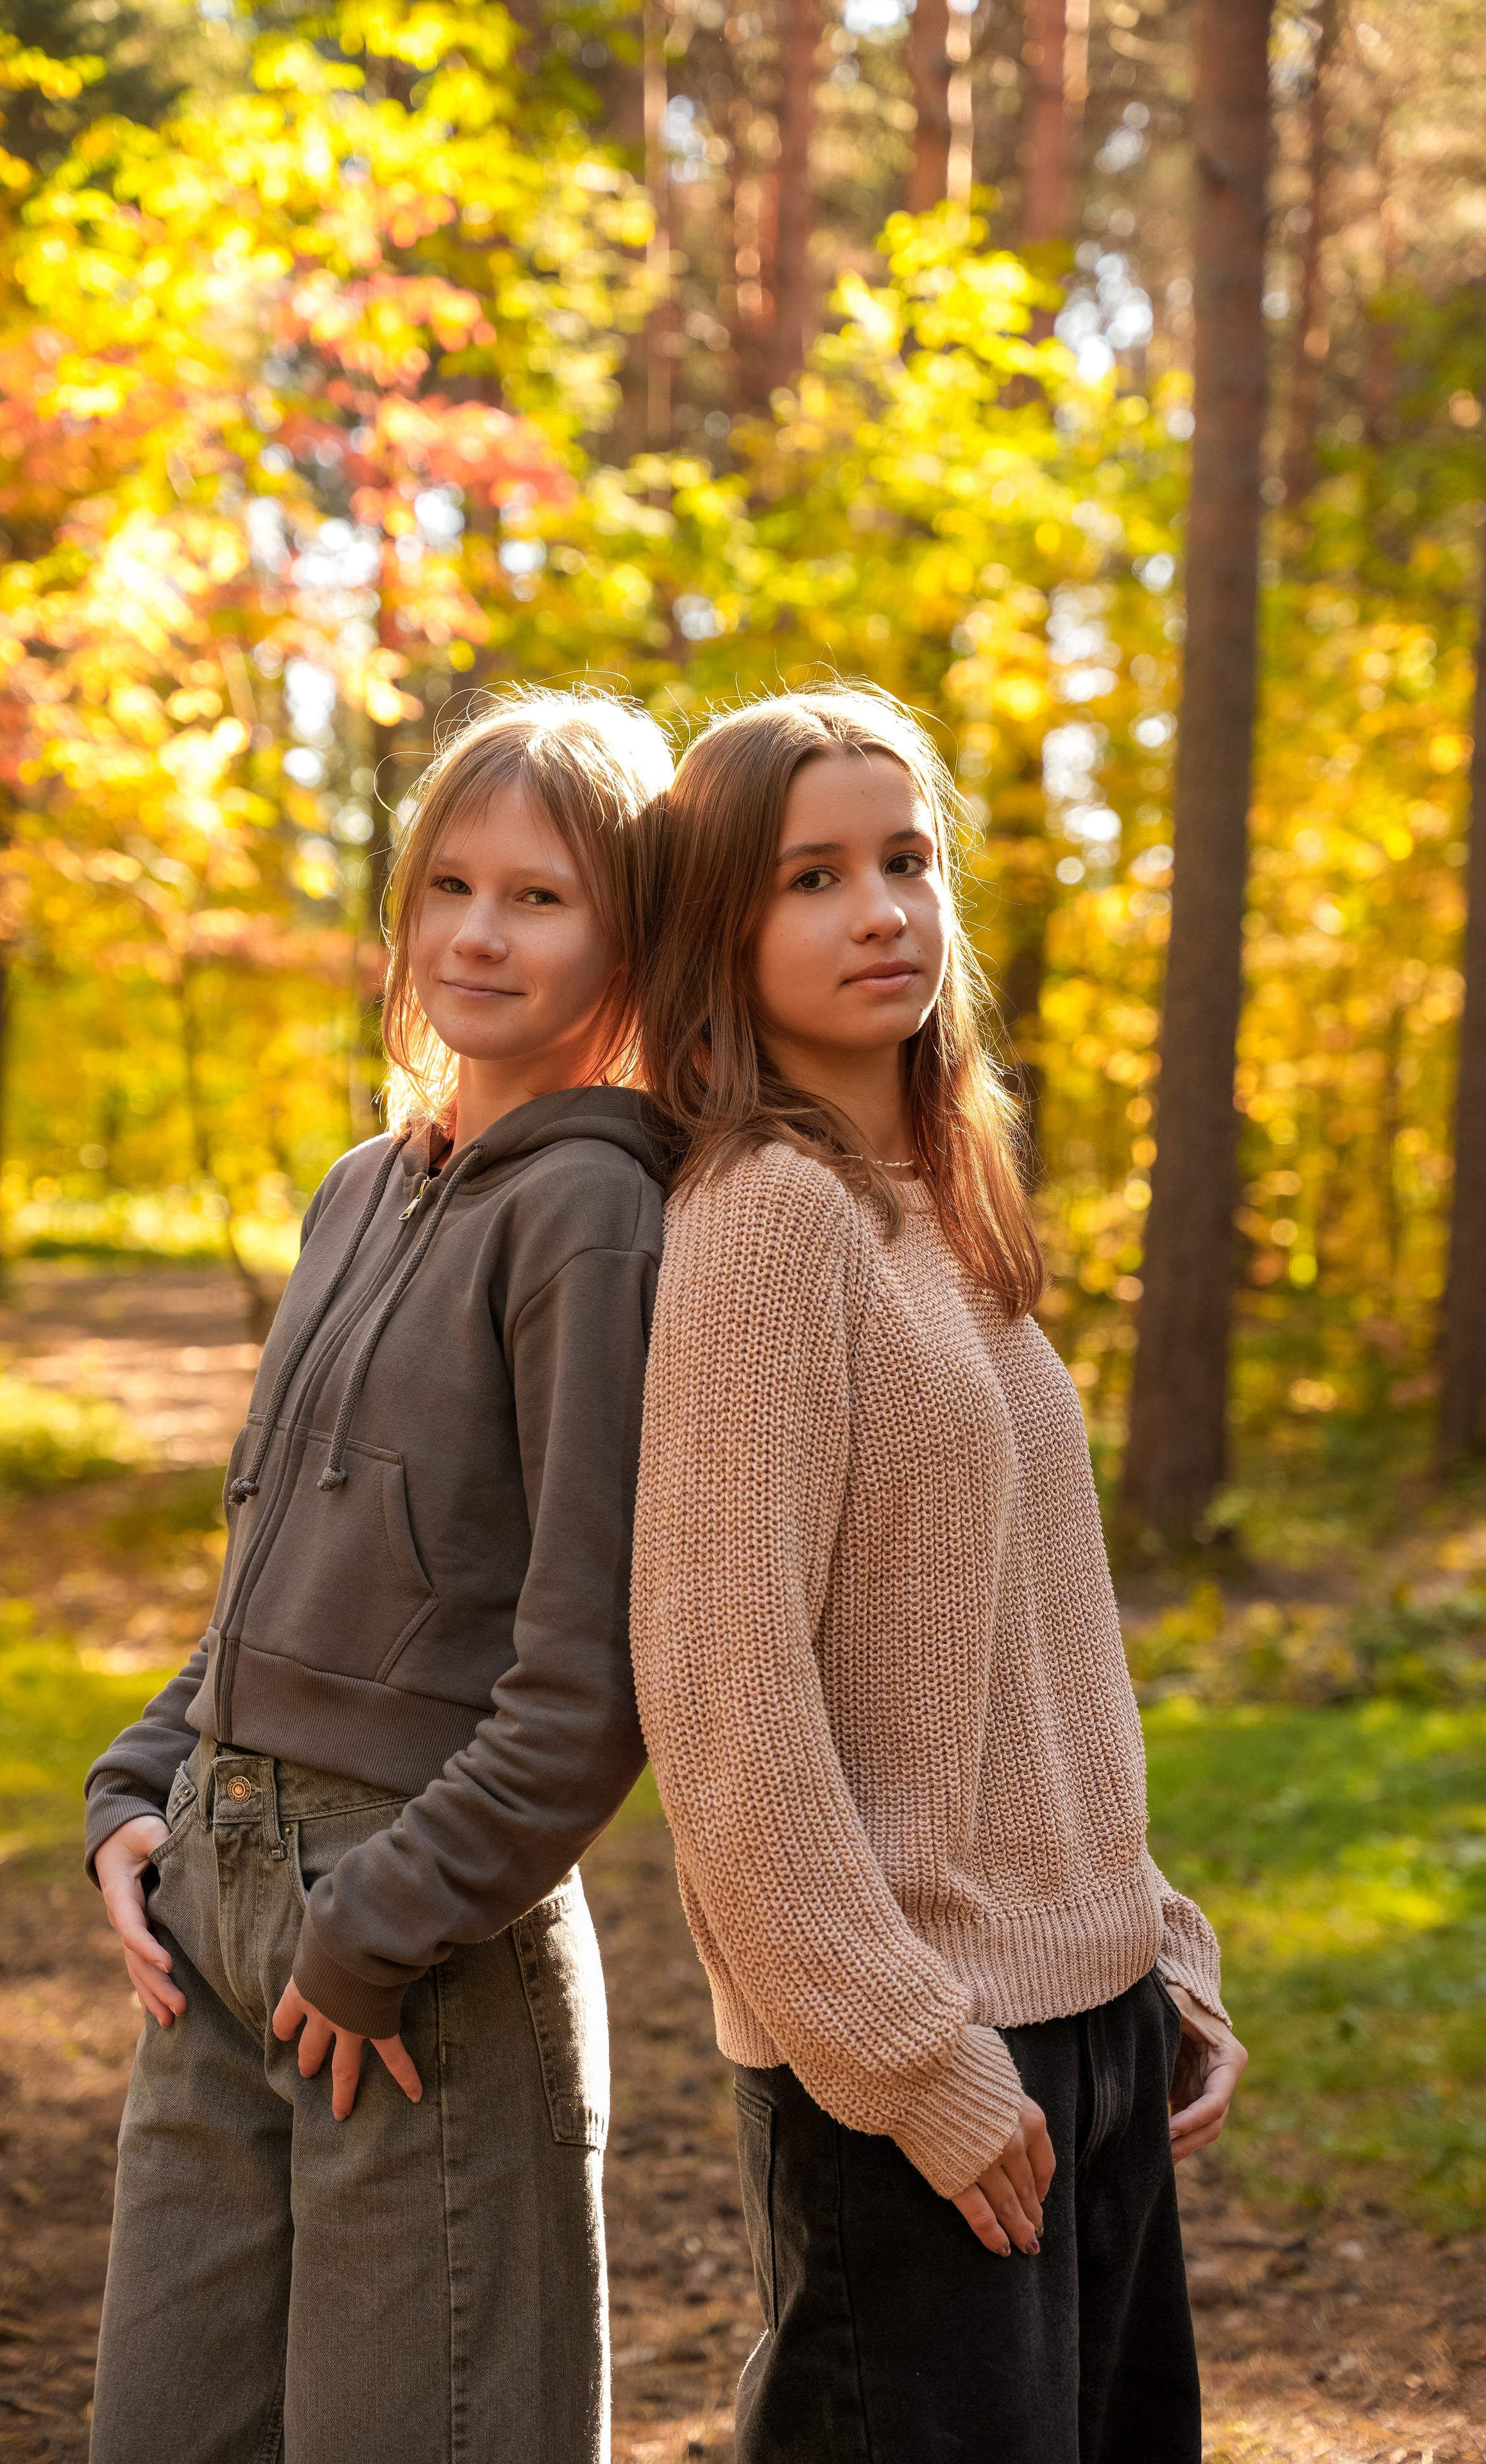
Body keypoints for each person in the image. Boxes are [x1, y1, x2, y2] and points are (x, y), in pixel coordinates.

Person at [629, 685, 1247, 2464]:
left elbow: (1041, 1644)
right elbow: (725, 1701)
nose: (882, 909)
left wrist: (1157, 1951)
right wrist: (909, 2059)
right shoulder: (764, 1220)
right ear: (719, 931)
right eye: (810, 876)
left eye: (905, 860)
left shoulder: (939, 1205)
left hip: (1091, 2027)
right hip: (914, 2056)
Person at [84, 688, 673, 2464]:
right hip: (219, 1891)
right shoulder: (359, 1187)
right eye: (449, 885)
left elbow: (588, 1687)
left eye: (542, 897)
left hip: (423, 1947)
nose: (477, 933)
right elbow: (272, 1571)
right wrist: (139, 1789)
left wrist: (373, 1930)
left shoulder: (598, 1217)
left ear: (630, 931)